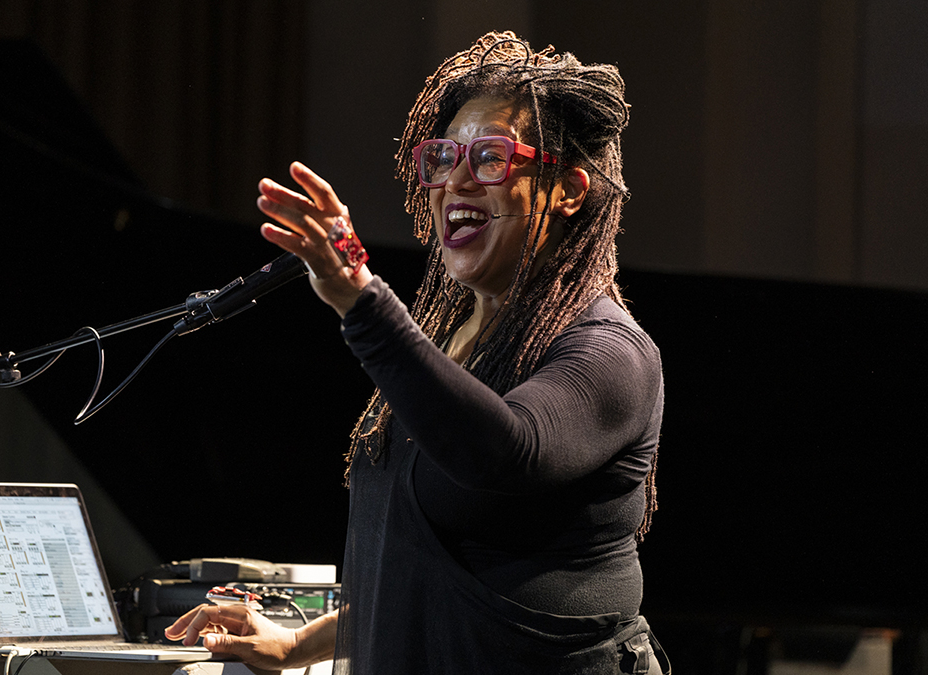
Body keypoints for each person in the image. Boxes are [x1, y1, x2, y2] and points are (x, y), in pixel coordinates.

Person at [166, 31, 665, 674]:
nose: (455, 179)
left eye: (489, 157)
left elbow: (506, 451)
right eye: (444, 156)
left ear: (567, 189)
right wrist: (299, 644)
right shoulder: (453, 344)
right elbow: (421, 568)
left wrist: (362, 301)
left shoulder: (610, 352)